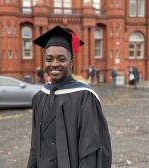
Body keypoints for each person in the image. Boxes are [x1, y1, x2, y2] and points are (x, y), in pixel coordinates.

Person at [27, 26, 112, 168]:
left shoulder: (85, 97)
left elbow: (91, 149)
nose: (54, 64)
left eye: (61, 59)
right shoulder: (40, 96)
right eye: (49, 59)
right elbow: (35, 144)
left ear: (71, 62)